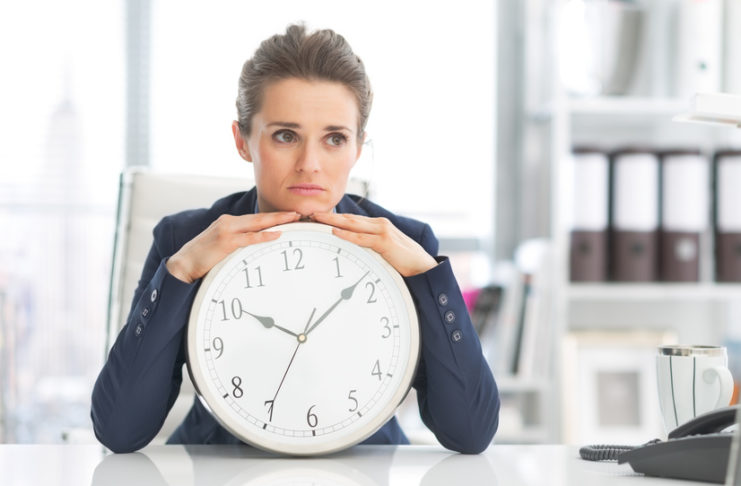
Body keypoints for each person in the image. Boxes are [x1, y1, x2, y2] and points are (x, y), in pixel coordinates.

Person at [91, 23, 500, 454]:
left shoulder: (408, 244)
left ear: (358, 148)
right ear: (243, 141)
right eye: (286, 136)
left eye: (334, 139)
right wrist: (180, 270)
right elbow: (120, 430)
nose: (310, 163)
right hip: (219, 463)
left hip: (367, 464)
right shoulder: (184, 240)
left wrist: (426, 275)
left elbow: (470, 433)